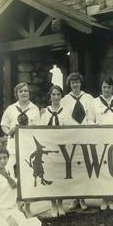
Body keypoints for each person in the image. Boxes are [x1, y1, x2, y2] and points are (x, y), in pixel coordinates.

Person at [1, 82, 40, 216]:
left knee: (28, 176)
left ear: (29, 93)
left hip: (28, 147)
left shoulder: (34, 109)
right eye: (21, 91)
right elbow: (4, 125)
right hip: (13, 147)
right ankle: (17, 204)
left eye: (26, 91)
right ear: (17, 94)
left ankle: (27, 205)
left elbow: (38, 129)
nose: (24, 93)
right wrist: (8, 132)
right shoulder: (11, 109)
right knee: (12, 175)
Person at [89, 77, 113, 210]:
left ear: (112, 88)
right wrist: (98, 128)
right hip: (100, 140)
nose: (106, 90)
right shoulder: (94, 103)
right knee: (102, 169)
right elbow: (90, 121)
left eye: (109, 87)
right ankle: (104, 198)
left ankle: (112, 197)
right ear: (101, 88)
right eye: (104, 87)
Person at [61, 72, 94, 210]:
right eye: (73, 83)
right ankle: (75, 198)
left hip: (85, 136)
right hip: (72, 136)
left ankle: (83, 197)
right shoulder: (65, 100)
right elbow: (63, 119)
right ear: (70, 84)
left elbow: (92, 118)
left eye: (77, 82)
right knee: (73, 166)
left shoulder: (89, 98)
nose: (75, 85)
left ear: (81, 83)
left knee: (84, 166)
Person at [41, 85, 66, 217]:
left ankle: (60, 204)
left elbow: (69, 131)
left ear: (61, 96)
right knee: (50, 176)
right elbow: (40, 130)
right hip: (48, 148)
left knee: (60, 176)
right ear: (50, 96)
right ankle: (53, 204)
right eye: (53, 94)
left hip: (61, 148)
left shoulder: (65, 112)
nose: (56, 97)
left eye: (58, 95)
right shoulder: (45, 112)